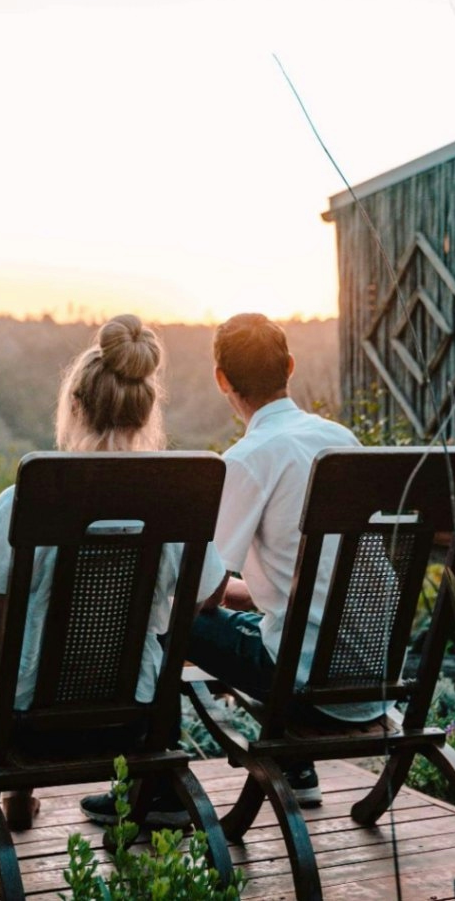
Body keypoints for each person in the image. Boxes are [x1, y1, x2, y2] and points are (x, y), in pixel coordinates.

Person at [0, 313, 227, 830]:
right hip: (135, 717)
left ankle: (19, 790)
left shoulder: (27, 500)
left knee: (1, 606)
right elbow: (208, 596)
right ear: (145, 413)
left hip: (27, 727)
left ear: (75, 405)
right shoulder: (177, 505)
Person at [142, 313, 382, 812]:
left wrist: (175, 593)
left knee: (164, 617)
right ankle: (298, 771)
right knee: (264, 622)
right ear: (289, 366)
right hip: (375, 678)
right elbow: (317, 581)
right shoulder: (340, 440)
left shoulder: (248, 459)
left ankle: (160, 791)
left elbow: (202, 593)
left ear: (221, 379)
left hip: (310, 682)